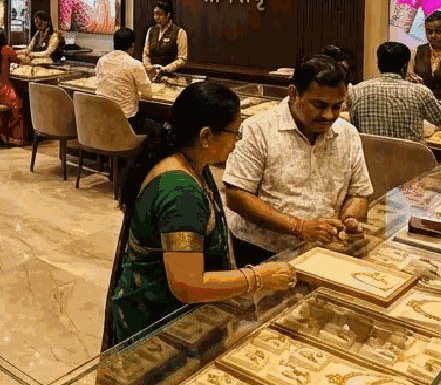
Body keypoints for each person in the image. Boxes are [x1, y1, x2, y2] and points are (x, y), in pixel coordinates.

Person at [102, 82, 298, 349]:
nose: (237, 142)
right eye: (235, 133)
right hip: (157, 321)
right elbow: (187, 285)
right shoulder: (180, 190)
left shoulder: (187, 160)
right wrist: (259, 277)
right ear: (206, 136)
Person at [224, 55, 373, 266]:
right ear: (294, 94)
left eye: (337, 106)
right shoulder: (259, 129)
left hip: (322, 251)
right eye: (319, 105)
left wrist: (349, 219)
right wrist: (299, 227)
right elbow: (237, 196)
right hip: (262, 252)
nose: (329, 115)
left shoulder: (348, 134)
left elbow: (358, 193)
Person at [350, 41, 441, 143]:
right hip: (410, 157)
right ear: (404, 66)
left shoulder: (357, 91)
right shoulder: (421, 92)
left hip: (370, 156)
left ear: (378, 65)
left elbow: (353, 125)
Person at [95, 27, 153, 134]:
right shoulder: (135, 65)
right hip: (127, 122)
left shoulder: (101, 61)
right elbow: (148, 94)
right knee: (160, 128)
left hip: (103, 118)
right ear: (132, 46)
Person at [143, 0, 188, 75]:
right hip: (153, 74)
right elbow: (146, 54)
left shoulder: (179, 32)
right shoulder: (151, 31)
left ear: (168, 14)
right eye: (155, 14)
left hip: (172, 75)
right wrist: (147, 65)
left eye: (159, 14)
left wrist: (166, 68)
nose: (156, 17)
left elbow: (182, 59)